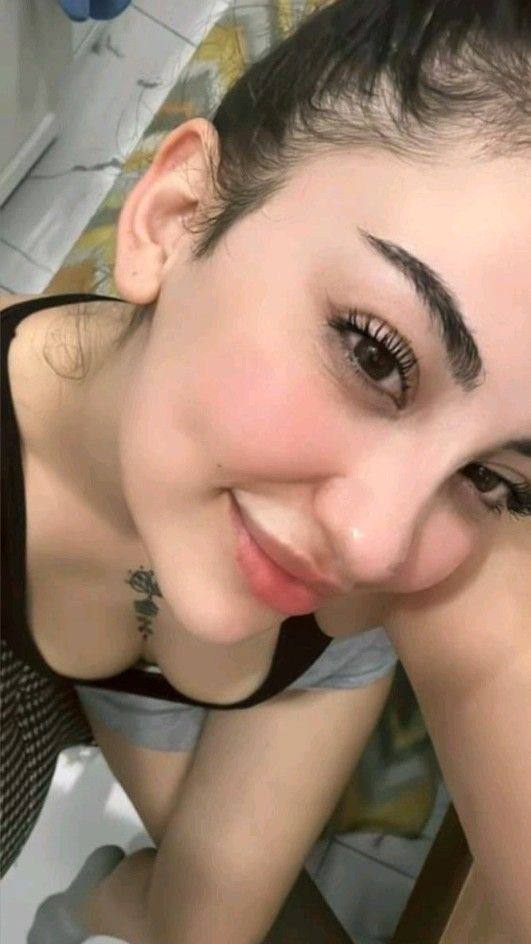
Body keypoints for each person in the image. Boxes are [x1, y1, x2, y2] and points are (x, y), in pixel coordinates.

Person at [1, 0, 530, 941]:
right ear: (172, 218)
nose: (376, 547)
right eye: (374, 354)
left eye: (491, 477)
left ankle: (104, 900)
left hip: (301, 674)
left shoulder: (432, 559)